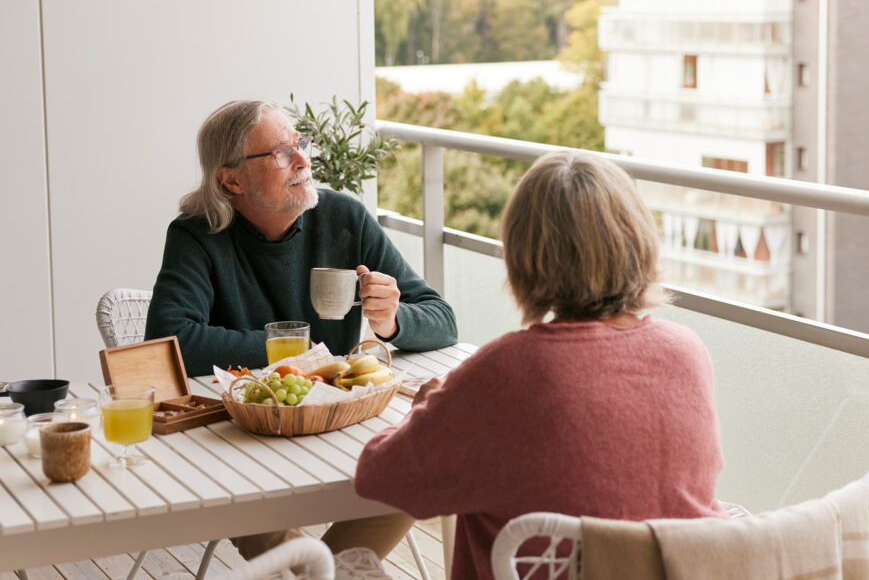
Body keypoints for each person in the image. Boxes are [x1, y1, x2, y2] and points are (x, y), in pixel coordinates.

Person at [354, 151, 726, 580]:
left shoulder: (507, 370)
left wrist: (425, 411)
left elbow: (379, 478)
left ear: (523, 254)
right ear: (639, 242)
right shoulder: (687, 352)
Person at [146, 99, 457, 559]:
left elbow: (442, 318)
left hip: (339, 423)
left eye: (300, 144)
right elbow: (168, 342)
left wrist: (392, 319)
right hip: (241, 437)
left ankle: (323, 570)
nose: (303, 160)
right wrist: (301, 355)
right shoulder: (198, 233)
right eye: (280, 153)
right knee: (255, 513)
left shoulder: (343, 217)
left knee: (419, 468)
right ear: (232, 180)